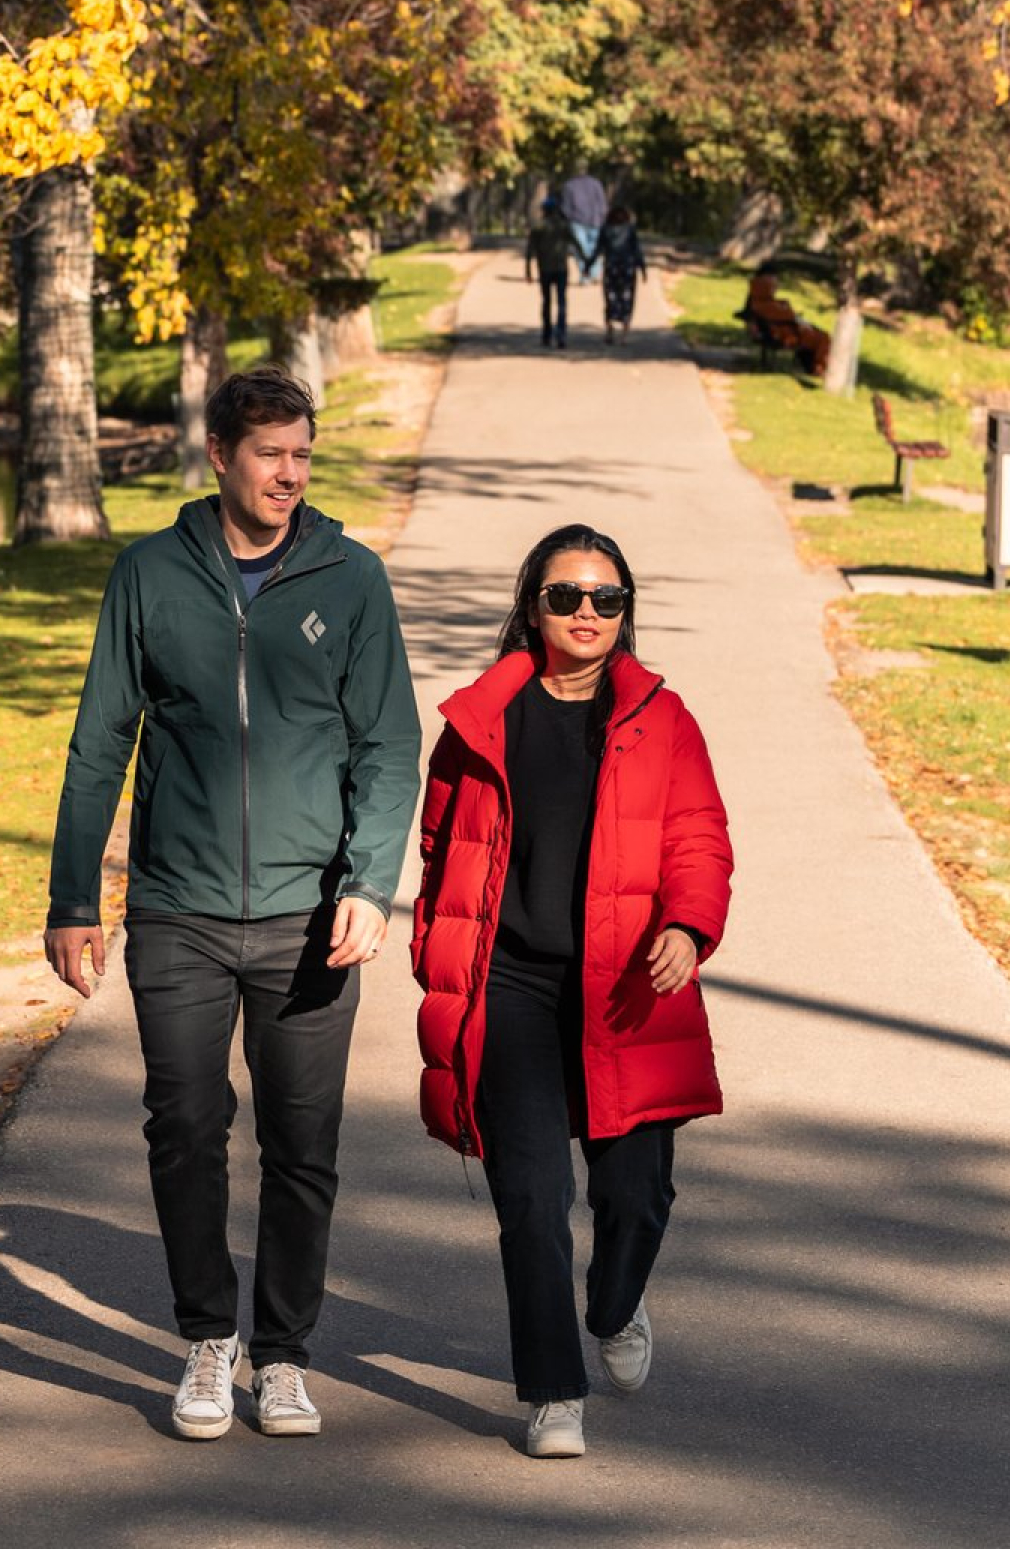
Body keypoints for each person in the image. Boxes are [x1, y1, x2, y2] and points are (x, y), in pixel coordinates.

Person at [44, 365, 423, 1443]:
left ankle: (287, 1356)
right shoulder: (149, 575)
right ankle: (211, 1340)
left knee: (304, 1143)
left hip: (311, 914)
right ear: (219, 455)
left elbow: (390, 747)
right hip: (179, 907)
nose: (291, 474)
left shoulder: (350, 579)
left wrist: (370, 883)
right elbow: (99, 744)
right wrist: (75, 897)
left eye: (303, 454)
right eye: (271, 455)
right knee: (186, 1123)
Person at [409, 525, 732, 1460]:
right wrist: (439, 949)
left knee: (636, 1195)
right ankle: (554, 1388)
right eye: (565, 597)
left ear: (626, 612)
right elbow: (442, 848)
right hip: (509, 987)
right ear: (532, 607)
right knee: (532, 1196)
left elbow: (701, 839)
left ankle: (616, 1307)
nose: (587, 614)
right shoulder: (479, 720)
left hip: (627, 981)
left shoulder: (661, 719)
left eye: (606, 599)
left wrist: (687, 925)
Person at [525, 196, 577, 349]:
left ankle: (547, 334)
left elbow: (530, 250)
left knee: (547, 302)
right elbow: (576, 243)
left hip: (545, 269)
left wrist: (528, 269)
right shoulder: (563, 225)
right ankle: (561, 334)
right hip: (561, 268)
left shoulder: (539, 226)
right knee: (561, 302)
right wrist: (587, 261)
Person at [596, 205, 647, 344]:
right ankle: (624, 332)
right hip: (627, 268)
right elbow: (636, 249)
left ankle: (610, 329)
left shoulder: (606, 229)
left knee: (610, 298)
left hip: (611, 267)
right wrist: (642, 268)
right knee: (627, 299)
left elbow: (598, 248)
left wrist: (589, 265)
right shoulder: (630, 230)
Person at [556, 172, 609, 284]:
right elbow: (602, 203)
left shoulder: (569, 185)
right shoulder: (596, 184)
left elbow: (565, 207)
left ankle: (587, 274)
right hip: (594, 220)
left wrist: (569, 217)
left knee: (581, 249)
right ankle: (591, 273)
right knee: (593, 249)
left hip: (577, 221)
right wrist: (601, 216)